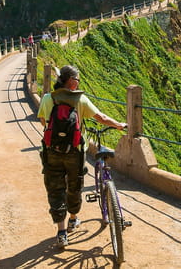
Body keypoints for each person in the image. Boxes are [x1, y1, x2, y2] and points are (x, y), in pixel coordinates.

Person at [37, 65, 126, 248]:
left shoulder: (48, 98)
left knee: (55, 189)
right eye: (77, 79)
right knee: (74, 185)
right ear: (71, 81)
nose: (78, 82)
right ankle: (73, 219)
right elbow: (100, 117)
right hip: (75, 151)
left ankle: (61, 232)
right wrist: (118, 125)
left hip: (51, 151)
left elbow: (43, 121)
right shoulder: (80, 99)